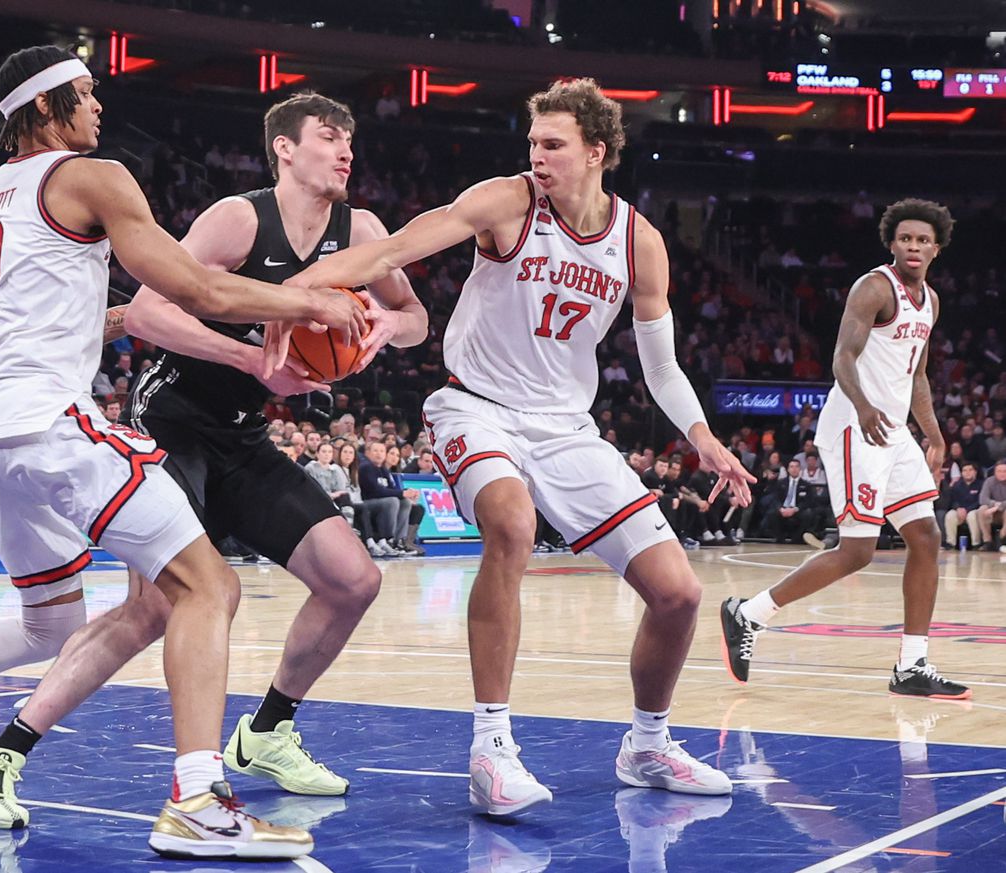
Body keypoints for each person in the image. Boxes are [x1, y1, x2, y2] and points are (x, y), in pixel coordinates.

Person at [0, 47, 361, 861]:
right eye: (86, 94)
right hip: (46, 420)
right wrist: (305, 299)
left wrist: (102, 322)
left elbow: (47, 295)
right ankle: (199, 799)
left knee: (48, 619)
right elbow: (192, 287)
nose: (99, 106)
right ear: (46, 107)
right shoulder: (94, 176)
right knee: (207, 583)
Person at [278, 79, 754, 812]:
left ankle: (649, 743)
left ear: (597, 153)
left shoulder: (640, 242)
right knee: (511, 523)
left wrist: (703, 438)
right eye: (532, 142)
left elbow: (660, 365)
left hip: (567, 427)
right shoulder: (507, 200)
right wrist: (293, 296)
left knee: (679, 591)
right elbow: (400, 247)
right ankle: (492, 747)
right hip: (476, 408)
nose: (536, 156)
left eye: (553, 145)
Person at [112, 91, 424, 794]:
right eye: (328, 134)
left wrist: (383, 331)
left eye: (351, 137)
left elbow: (416, 315)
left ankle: (267, 732)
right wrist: (253, 361)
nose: (346, 147)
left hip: (242, 434)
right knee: (159, 607)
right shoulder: (238, 218)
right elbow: (145, 310)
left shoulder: (362, 228)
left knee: (354, 579)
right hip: (172, 416)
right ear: (284, 147)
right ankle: (20, 746)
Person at [721, 199, 970, 700]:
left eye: (923, 240)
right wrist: (863, 407)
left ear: (936, 247)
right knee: (858, 550)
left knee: (926, 536)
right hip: (857, 425)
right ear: (892, 243)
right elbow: (843, 357)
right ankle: (749, 614)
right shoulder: (874, 287)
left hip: (893, 429)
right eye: (905, 239)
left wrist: (935, 435)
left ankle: (912, 665)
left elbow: (916, 374)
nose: (914, 246)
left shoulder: (931, 302)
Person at [978, 461, 1006, 552]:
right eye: (999, 471)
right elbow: (983, 499)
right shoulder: (989, 481)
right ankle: (987, 542)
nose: (1002, 474)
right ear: (995, 472)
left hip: (1004, 512)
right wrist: (994, 504)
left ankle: (1003, 538)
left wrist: (999, 506)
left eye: (1004, 471)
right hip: (992, 513)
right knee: (982, 509)